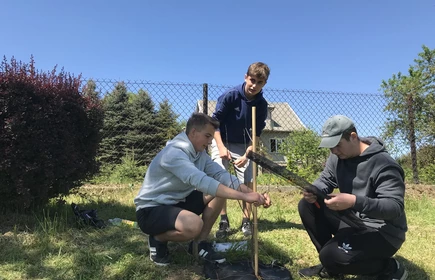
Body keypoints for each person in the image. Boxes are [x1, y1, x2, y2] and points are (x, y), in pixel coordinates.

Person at [134, 112, 271, 266]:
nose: (211, 141)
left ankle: (199, 243)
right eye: (207, 136)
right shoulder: (174, 153)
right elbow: (202, 182)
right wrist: (244, 197)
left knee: (220, 189)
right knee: (193, 225)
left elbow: (221, 175)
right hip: (151, 210)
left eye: (212, 137)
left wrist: (253, 194)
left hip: (177, 203)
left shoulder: (199, 154)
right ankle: (157, 239)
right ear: (193, 132)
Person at [297, 115, 408, 279]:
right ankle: (333, 266)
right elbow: (326, 179)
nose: (334, 151)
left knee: (331, 256)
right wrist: (315, 190)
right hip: (352, 220)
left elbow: (393, 208)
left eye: (337, 145)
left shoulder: (384, 164)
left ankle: (389, 268)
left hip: (382, 231)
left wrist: (353, 201)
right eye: (330, 148)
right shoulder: (337, 158)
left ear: (353, 137)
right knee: (307, 205)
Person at [211, 62, 270, 238]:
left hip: (244, 144)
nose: (254, 85)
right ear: (246, 77)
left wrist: (248, 153)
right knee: (221, 177)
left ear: (264, 84)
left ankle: (246, 221)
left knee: (249, 180)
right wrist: (221, 147)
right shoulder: (230, 96)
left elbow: (257, 132)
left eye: (260, 82)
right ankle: (223, 220)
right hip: (222, 139)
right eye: (252, 80)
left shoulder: (261, 104)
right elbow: (214, 124)